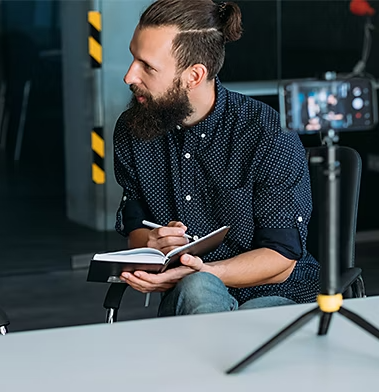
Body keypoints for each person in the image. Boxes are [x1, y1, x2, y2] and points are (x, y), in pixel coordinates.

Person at [113, 0, 320, 317]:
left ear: (194, 76)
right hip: (188, 294)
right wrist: (152, 244)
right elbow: (135, 228)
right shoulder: (133, 131)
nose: (129, 76)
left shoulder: (266, 133)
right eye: (132, 58)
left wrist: (200, 271)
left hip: (279, 294)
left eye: (147, 66)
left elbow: (281, 259)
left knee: (205, 290)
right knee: (196, 289)